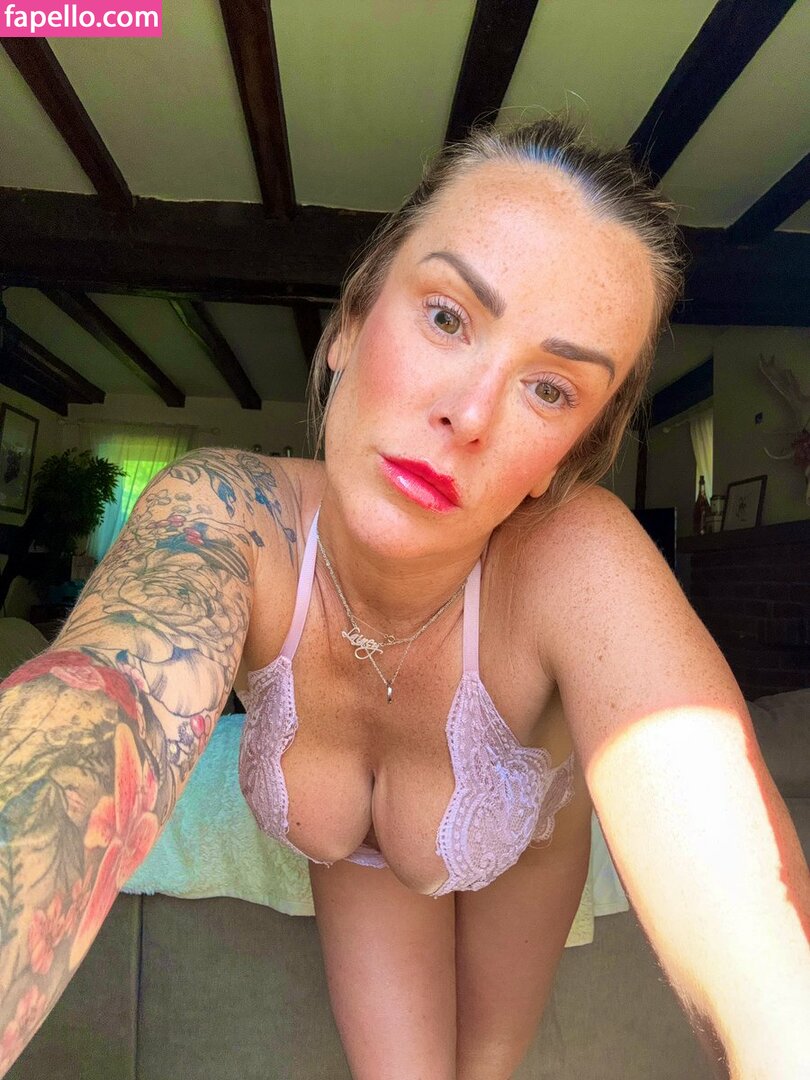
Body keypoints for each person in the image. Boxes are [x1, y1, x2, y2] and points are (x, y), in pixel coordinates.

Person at [0, 116, 808, 1080]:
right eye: (448, 317)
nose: (469, 412)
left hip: (521, 851)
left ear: (565, 463)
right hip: (359, 857)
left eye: (550, 389)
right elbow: (97, 706)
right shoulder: (227, 516)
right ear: (349, 324)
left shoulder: (580, 561)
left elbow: (762, 949)